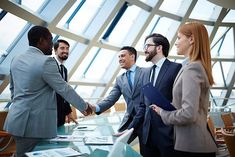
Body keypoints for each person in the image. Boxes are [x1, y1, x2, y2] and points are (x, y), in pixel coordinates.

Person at [3, 25, 92, 157]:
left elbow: (13, 88)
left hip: (16, 120)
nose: (52, 44)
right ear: (40, 40)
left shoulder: (16, 59)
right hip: (34, 125)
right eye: (50, 40)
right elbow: (64, 88)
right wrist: (84, 106)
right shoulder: (46, 61)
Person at [150, 22, 217, 157]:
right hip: (193, 146)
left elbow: (188, 114)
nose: (176, 42)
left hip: (192, 148)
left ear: (191, 39)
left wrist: (163, 113)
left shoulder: (193, 69)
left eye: (179, 38)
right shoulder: (193, 67)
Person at [127, 33, 182, 157]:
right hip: (147, 138)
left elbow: (180, 101)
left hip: (168, 136)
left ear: (159, 48)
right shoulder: (145, 73)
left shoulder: (176, 68)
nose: (144, 50)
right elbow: (142, 106)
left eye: (147, 46)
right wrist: (130, 129)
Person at [90, 46, 145, 154]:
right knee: (117, 147)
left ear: (132, 56)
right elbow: (111, 99)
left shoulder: (146, 73)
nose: (120, 59)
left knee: (146, 152)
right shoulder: (120, 79)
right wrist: (95, 107)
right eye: (119, 56)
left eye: (123, 55)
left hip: (146, 119)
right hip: (129, 120)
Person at [53, 39, 77, 127]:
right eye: (62, 48)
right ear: (55, 51)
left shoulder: (64, 69)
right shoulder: (50, 65)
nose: (65, 51)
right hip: (50, 113)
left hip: (60, 114)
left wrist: (68, 112)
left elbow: (64, 92)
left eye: (67, 48)